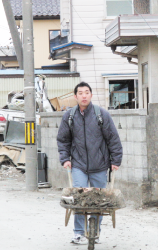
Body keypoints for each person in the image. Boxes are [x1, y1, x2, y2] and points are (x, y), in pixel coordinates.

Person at [57, 82, 123, 244]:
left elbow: (113, 139)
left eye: (87, 92)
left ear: (91, 95)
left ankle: (95, 232)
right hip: (78, 165)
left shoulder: (102, 115)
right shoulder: (69, 116)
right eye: (80, 93)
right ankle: (79, 233)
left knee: (98, 200)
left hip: (100, 165)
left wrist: (115, 160)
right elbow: (63, 140)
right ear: (75, 96)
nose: (84, 95)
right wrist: (65, 159)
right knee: (80, 199)